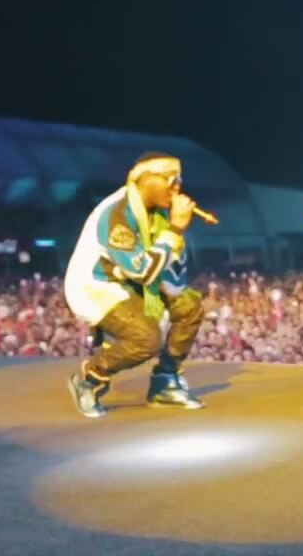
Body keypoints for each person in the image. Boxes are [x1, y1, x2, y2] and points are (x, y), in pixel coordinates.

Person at [63, 152, 207, 418]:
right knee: (147, 338)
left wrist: (175, 297)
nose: (177, 187)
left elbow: (174, 277)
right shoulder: (117, 213)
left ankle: (165, 381)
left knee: (190, 305)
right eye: (170, 180)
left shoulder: (158, 214)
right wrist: (175, 230)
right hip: (96, 287)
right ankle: (89, 380)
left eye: (179, 180)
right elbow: (142, 271)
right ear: (146, 179)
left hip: (128, 281)